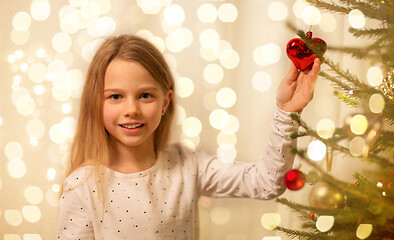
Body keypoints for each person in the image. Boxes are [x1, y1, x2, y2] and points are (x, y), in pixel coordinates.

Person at [57, 34, 321, 239]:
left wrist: (286, 113)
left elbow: (267, 182)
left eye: (145, 95)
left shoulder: (187, 166)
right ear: (96, 102)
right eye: (115, 96)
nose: (131, 110)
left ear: (165, 101)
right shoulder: (81, 186)